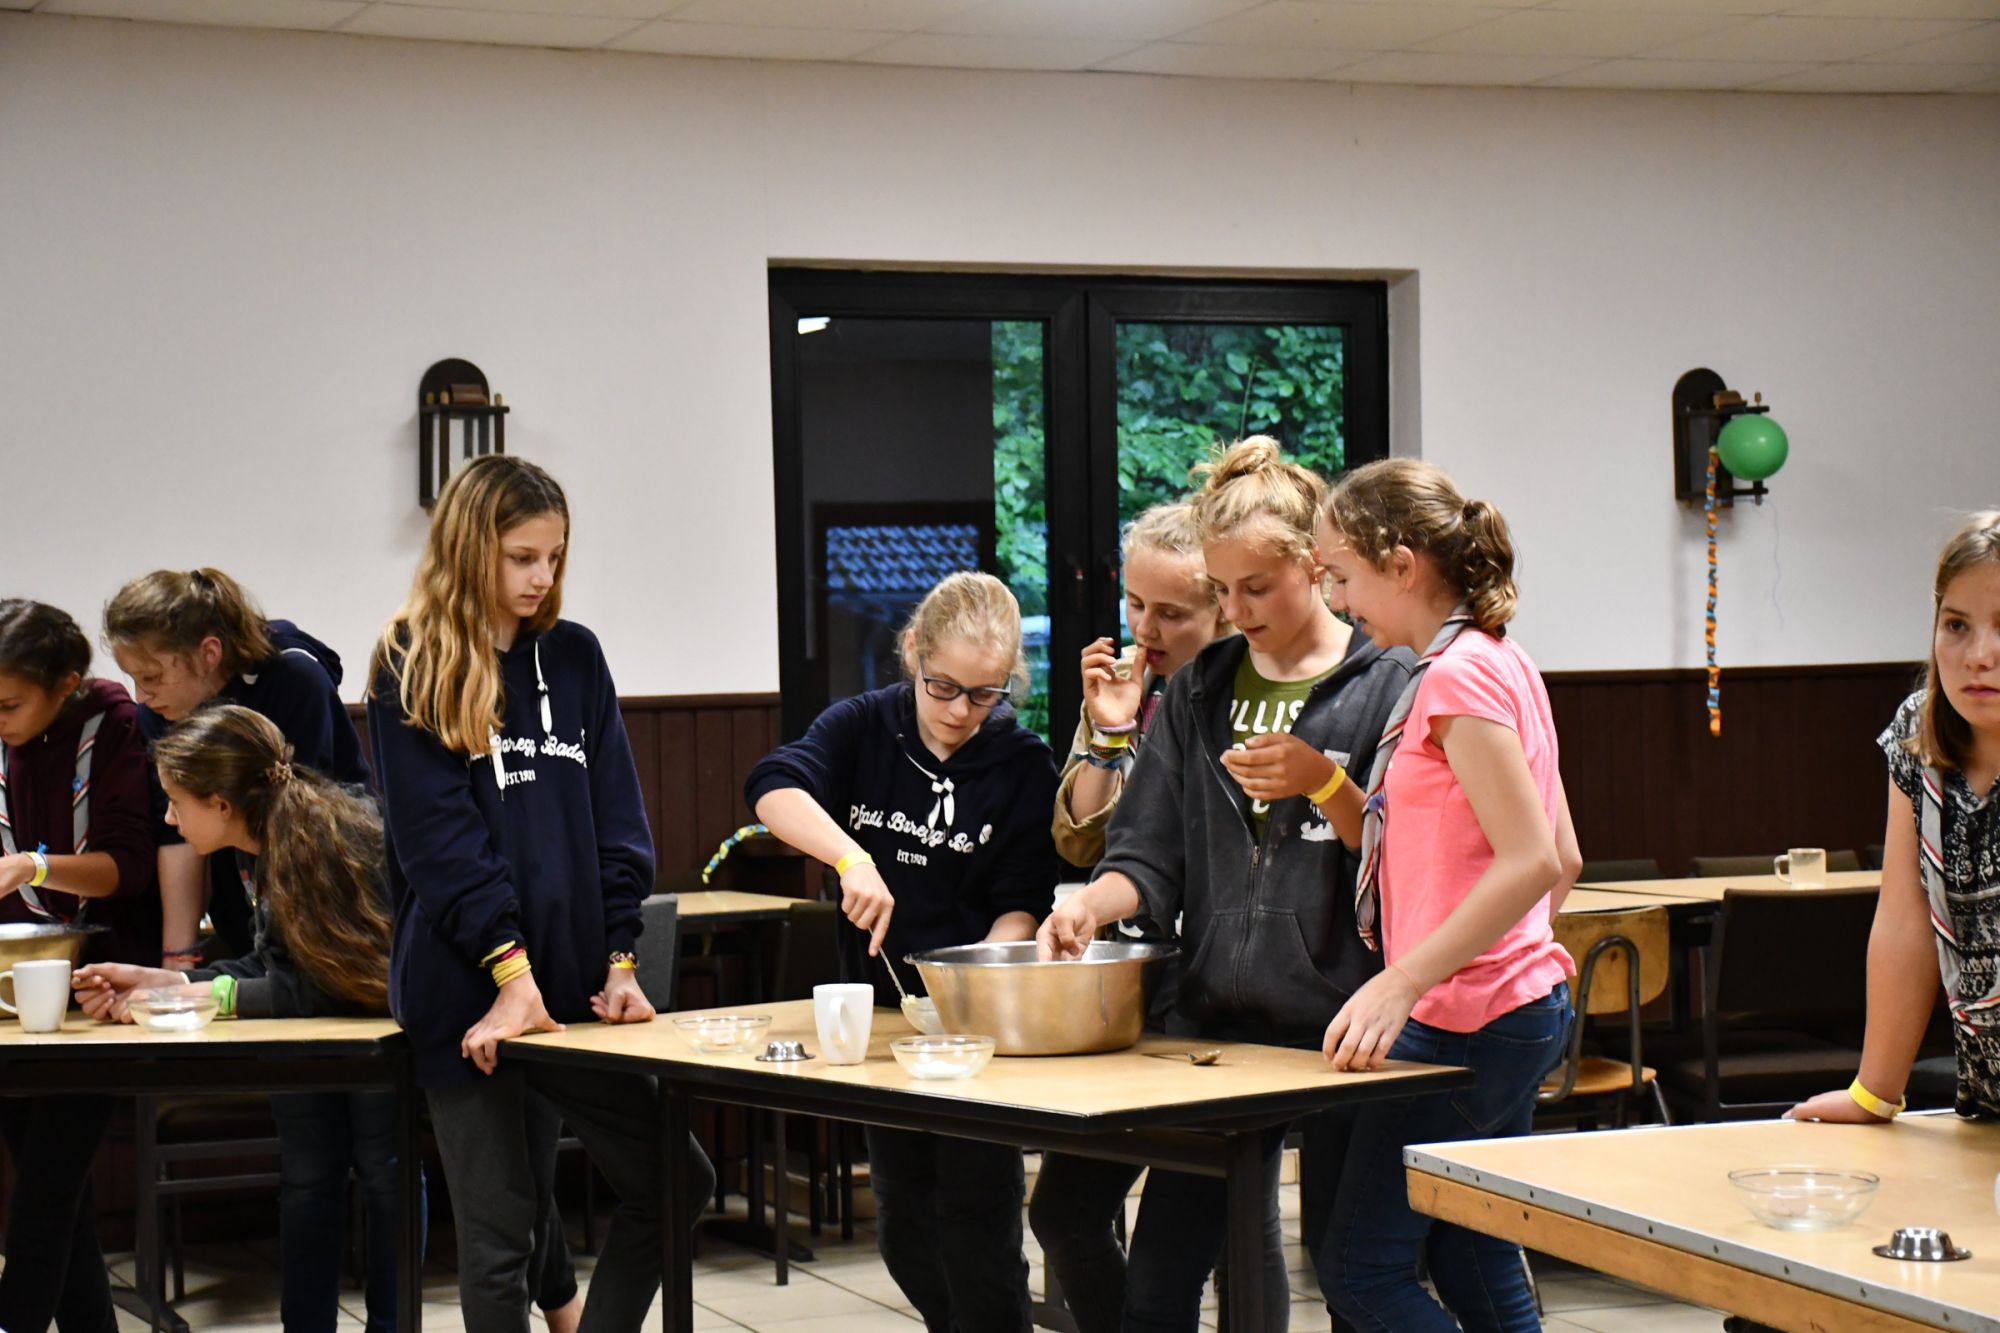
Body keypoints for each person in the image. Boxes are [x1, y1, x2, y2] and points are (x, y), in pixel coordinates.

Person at [1038, 437, 1412, 1333]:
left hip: (1343, 1027)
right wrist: (1090, 902)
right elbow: (1147, 854)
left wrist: (1326, 782)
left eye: (1256, 588)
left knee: (1350, 1276)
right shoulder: (1201, 687)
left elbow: (1403, 862)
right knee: (1159, 1284)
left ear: (1316, 567)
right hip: (1211, 1026)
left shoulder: (1389, 681)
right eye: (1223, 589)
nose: (1236, 611)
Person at [366, 454, 711, 1332]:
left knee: (678, 1179)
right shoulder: (410, 658)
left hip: (566, 992)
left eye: (554, 556)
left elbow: (619, 823)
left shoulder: (575, 654)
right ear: (467, 548)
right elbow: (441, 846)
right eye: (521, 556)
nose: (541, 577)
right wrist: (508, 973)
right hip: (467, 990)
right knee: (501, 1239)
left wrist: (622, 958)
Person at [746, 570, 1060, 1333]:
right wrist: (850, 857)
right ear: (914, 651)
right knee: (906, 1230)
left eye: (984, 695)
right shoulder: (863, 726)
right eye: (942, 686)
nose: (958, 711)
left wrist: (971, 974)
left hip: (973, 1031)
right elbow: (773, 785)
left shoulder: (1021, 762)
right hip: (885, 1028)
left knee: (978, 1231)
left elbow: (1023, 900)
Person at [1312, 458, 1579, 1333]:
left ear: (1400, 565)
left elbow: (1532, 859)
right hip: (1513, 1006)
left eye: (1342, 577)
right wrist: (1513, 962)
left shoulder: (1458, 675)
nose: (1339, 602)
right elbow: (1564, 855)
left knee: (1360, 1273)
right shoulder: (1503, 658)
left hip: (1469, 1017)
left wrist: (1405, 978)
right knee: (1471, 1247)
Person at [74, 703, 419, 1333]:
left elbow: (344, 982)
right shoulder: (258, 845)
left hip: (376, 1043)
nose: (169, 818)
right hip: (307, 1045)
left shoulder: (323, 837)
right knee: (307, 1180)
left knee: (385, 1174)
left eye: (177, 802)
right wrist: (170, 983)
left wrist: (209, 998)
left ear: (222, 804)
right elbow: (274, 966)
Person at [1031, 500, 1233, 1333]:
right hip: (1135, 990)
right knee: (1062, 1211)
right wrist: (1110, 730)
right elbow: (1081, 838)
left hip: (1219, 999)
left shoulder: (1239, 697)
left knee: (1211, 1244)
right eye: (1136, 605)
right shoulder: (1129, 691)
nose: (1146, 630)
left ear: (1226, 606)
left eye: (1172, 612)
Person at [1790, 511, 2000, 1126]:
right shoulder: (1918, 733)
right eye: (1956, 625)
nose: (1979, 655)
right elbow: (1905, 920)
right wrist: (1873, 1092)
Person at [0, 599, 159, 1333]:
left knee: (47, 1189)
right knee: (57, 1192)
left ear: (65, 683)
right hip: (17, 984)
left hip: (103, 984)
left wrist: (33, 865)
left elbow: (127, 868)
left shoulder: (114, 723)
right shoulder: (11, 739)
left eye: (9, 704)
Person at [104, 567, 366, 966]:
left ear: (209, 653)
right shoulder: (160, 710)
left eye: (152, 676)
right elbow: (175, 831)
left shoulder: (295, 679)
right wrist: (178, 957)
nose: (141, 696)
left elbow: (307, 821)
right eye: (133, 679)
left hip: (331, 901)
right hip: (245, 913)